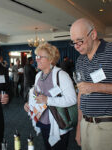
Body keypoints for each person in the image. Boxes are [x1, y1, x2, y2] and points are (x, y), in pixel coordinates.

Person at [24, 43, 77, 150]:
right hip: (43, 121)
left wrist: (48, 100)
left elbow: (72, 99)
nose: (36, 59)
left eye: (40, 57)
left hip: (58, 122)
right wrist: (29, 104)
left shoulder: (61, 75)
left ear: (50, 59)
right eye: (36, 56)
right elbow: (35, 95)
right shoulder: (39, 75)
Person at [70, 18, 112, 150]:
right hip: (85, 124)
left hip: (106, 126)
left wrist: (96, 87)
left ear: (93, 35)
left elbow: (89, 88)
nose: (76, 46)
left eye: (80, 41)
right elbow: (81, 95)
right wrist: (78, 128)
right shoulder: (80, 60)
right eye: (73, 43)